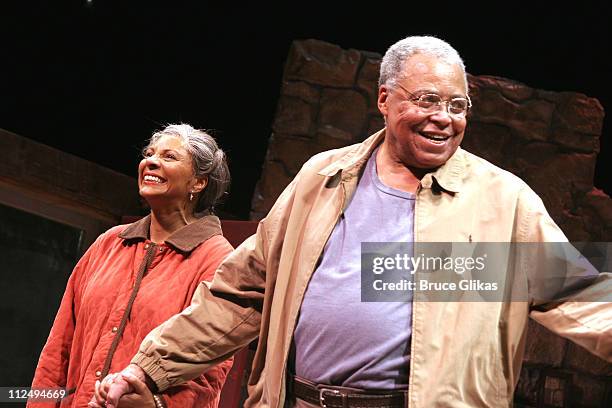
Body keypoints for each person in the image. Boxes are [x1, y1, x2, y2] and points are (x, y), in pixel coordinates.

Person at [96, 37, 612, 408]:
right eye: (427, 100)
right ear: (385, 99)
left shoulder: (501, 201)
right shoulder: (320, 179)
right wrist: (151, 366)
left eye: (458, 106)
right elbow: (239, 292)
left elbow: (579, 294)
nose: (445, 117)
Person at [28, 124, 234, 408]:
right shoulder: (109, 243)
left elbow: (211, 366)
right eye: (149, 154)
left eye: (169, 157)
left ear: (198, 183)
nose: (150, 161)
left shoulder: (215, 257)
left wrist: (156, 404)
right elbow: (58, 347)